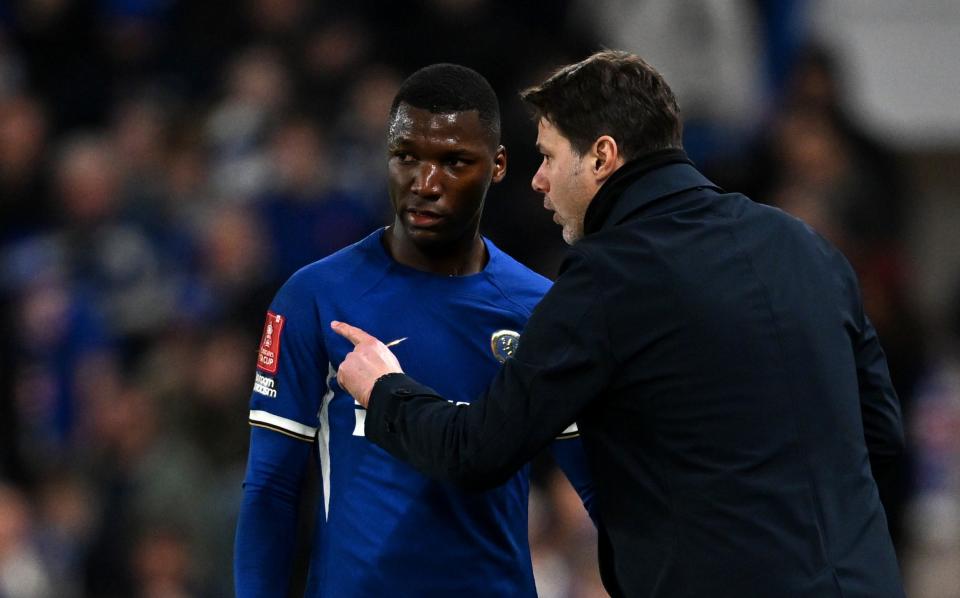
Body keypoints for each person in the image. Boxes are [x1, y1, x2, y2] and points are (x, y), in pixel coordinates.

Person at [333, 50, 906, 598]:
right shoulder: (805, 245)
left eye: (549, 157)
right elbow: (881, 438)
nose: (537, 180)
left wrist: (384, 390)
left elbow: (477, 451)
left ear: (602, 157)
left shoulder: (608, 277)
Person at [233, 63, 595, 597]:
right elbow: (271, 488)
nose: (425, 183)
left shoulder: (539, 309)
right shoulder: (314, 297)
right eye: (407, 157)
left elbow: (596, 486)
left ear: (496, 166)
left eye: (454, 162)